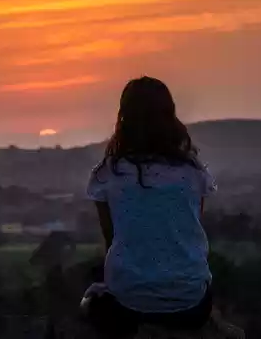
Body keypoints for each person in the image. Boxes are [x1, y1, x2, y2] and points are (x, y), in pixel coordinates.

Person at [84, 76, 218, 337]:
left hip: (129, 304)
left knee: (88, 304)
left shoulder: (107, 174)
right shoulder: (192, 172)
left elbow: (112, 240)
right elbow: (188, 229)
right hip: (192, 304)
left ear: (124, 118)